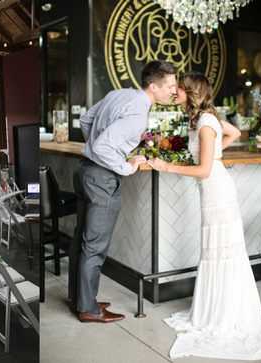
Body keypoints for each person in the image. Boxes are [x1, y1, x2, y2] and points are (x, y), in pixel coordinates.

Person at [146, 72, 261, 360]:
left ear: (191, 93)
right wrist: (211, 156)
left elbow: (205, 170)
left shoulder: (206, 123)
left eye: (179, 89)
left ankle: (224, 314)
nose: (174, 93)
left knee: (221, 251)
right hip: (211, 193)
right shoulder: (201, 119)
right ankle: (216, 309)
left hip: (218, 193)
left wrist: (169, 167)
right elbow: (233, 134)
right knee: (215, 251)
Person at [70, 60, 178, 323]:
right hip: (102, 179)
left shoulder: (119, 94)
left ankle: (79, 297)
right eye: (171, 86)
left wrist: (99, 151)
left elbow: (86, 120)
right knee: (94, 246)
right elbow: (104, 147)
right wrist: (126, 167)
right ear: (154, 86)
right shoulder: (138, 113)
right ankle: (88, 309)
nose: (174, 91)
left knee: (80, 239)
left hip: (84, 171)